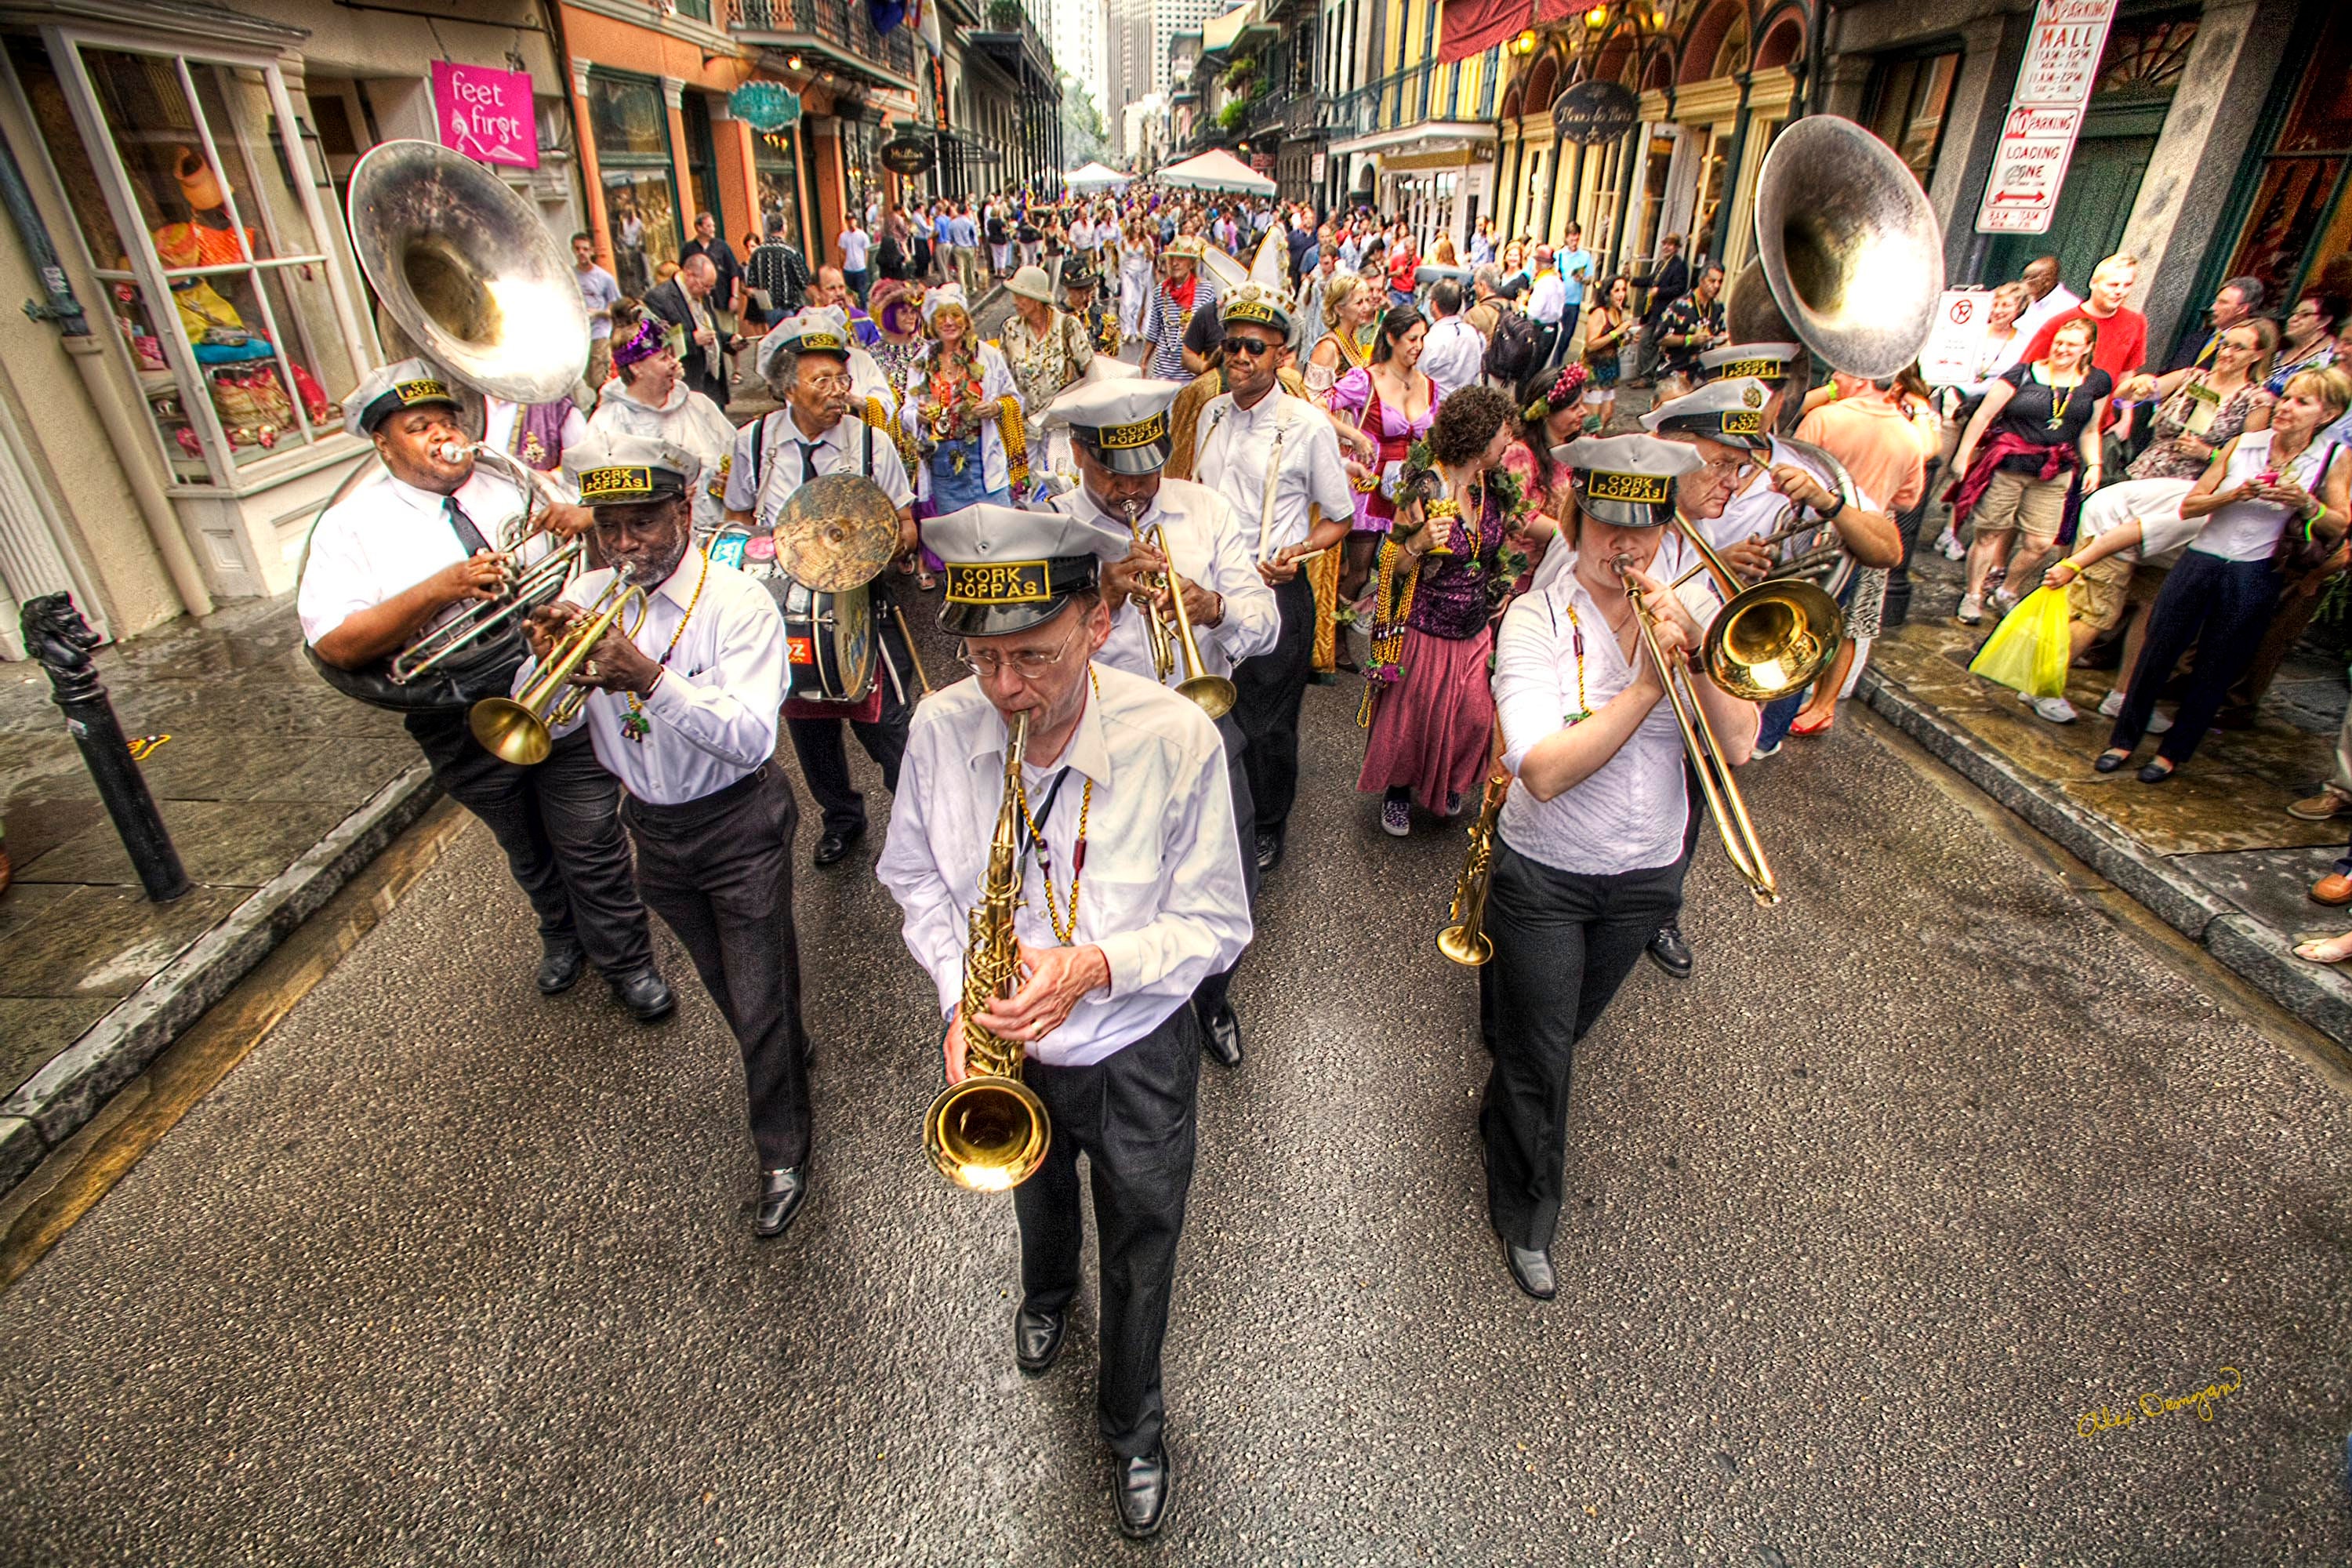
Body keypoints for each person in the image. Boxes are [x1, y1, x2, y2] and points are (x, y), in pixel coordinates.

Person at [876, 502, 1251, 1541]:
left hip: (1134, 1047)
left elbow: (1217, 920)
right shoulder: (944, 727)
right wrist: (959, 998)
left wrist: (1095, 965)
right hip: (1007, 1046)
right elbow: (914, 879)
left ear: (1097, 622)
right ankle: (1046, 1295)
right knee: (1033, 1196)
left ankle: (1133, 1421)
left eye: (1035, 656)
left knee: (1141, 1237)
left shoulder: (1177, 737)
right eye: (983, 658)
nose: (1005, 690)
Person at [297, 361, 670, 1022]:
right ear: (384, 445)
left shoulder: (509, 481)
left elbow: (608, 529)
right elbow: (336, 643)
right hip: (456, 708)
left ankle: (628, 960)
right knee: (523, 839)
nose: (444, 436)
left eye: (447, 421)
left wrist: (580, 516)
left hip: (555, 684)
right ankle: (560, 931)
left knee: (591, 836)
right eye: (420, 428)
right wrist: (441, 588)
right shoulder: (350, 526)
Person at [1481, 434, 1756, 1301]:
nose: (1625, 546)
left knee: (1560, 1032)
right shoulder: (1534, 617)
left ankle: (1503, 1101)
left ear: (1669, 525)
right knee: (1544, 1056)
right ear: (1578, 518)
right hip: (1545, 872)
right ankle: (1528, 1212)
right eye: (1606, 524)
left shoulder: (1695, 605)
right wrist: (1644, 685)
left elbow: (1740, 745)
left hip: (1645, 874)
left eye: (1644, 525)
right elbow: (1545, 770)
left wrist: (1702, 647)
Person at [521, 432, 809, 1239]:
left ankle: (784, 1151)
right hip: (652, 825)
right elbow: (536, 710)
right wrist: (541, 656)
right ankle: (786, 1045)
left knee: (754, 995)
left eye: (643, 523)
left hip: (739, 819)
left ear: (684, 508)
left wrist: (648, 675)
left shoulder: (736, 602)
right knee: (729, 980)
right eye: (609, 527)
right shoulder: (588, 591)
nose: (624, 546)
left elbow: (751, 736)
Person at [1047, 379, 1276, 1065]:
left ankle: (1212, 998)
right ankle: (1129, 1008)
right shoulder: (1053, 527)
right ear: (1081, 455)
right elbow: (1028, 664)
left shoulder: (1206, 509)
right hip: (1097, 739)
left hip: (1201, 726)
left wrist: (1215, 609)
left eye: (1148, 468)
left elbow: (1265, 624)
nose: (1135, 491)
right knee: (1112, 888)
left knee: (1232, 879)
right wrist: (1101, 600)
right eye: (1115, 474)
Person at [724, 313, 921, 867]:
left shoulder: (872, 444)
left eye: (842, 379)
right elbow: (736, 520)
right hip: (785, 614)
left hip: (863, 607)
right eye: (822, 382)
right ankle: (842, 818)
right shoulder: (754, 443)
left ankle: (921, 823)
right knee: (809, 726)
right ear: (788, 387)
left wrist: (879, 548)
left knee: (889, 726)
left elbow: (907, 524)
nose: (838, 393)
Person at [2096, 367, 2352, 782]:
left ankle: (2172, 753)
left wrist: (2306, 504)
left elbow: (2339, 524)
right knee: (2159, 649)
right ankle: (2123, 738)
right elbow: (2189, 506)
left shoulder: (2332, 458)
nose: (2286, 407)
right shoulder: (2243, 445)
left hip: (2258, 569)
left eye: (2302, 402)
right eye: (2286, 397)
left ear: (2327, 415)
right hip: (2203, 557)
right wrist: (2234, 495)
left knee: (2217, 663)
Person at [1194, 283, 1357, 872]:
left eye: (1255, 348)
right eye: (1232, 345)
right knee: (1213, 706)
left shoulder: (1308, 426)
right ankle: (1221, 808)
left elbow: (1340, 518)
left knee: (1268, 724)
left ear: (1282, 356)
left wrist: (1298, 550)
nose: (1240, 357)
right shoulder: (1211, 411)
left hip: (1274, 590)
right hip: (1212, 594)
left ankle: (1268, 822)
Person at [1359, 385, 1521, 836]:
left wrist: (1499, 587)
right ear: (1477, 437)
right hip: (1426, 628)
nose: (1509, 442)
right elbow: (1391, 564)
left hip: (1474, 628)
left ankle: (1450, 780)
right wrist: (1418, 542)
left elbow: (1493, 553)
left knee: (1473, 716)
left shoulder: (1493, 486)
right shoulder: (1427, 486)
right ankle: (1397, 794)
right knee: (1414, 722)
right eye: (1503, 433)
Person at [1784, 369, 1928, 735]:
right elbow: (1908, 499)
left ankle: (1784, 698)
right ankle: (1823, 706)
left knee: (1797, 616)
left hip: (1815, 534)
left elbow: (1788, 474)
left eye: (1841, 370)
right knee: (1849, 626)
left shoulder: (1825, 418)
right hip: (1874, 534)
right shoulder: (1910, 435)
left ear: (1862, 378)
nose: (1834, 376)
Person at [1950, 317, 2113, 624]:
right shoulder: (2022, 374)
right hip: (2010, 464)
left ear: (2087, 349)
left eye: (2071, 345)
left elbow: (2092, 430)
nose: (2062, 349)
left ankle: (2007, 589)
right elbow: (1984, 414)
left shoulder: (2097, 382)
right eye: (2059, 342)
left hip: (2056, 469)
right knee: (1990, 532)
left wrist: (2095, 464)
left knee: (2040, 542)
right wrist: (1963, 455)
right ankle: (1973, 595)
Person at [1328, 304, 1441, 602]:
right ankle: (1339, 630)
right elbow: (1316, 406)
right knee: (1359, 571)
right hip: (1367, 487)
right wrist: (1353, 435)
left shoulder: (1429, 386)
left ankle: (1380, 632)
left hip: (1408, 490)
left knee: (1401, 568)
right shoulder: (1365, 379)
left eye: (1422, 339)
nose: (1419, 347)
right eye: (1412, 339)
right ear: (1391, 338)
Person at [589, 318, 739, 540]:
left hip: (712, 540)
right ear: (636, 368)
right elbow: (596, 494)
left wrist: (729, 480)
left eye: (672, 355)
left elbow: (738, 456)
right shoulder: (606, 422)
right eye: (663, 358)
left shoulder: (699, 406)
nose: (673, 363)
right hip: (646, 547)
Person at [1929, 280, 2033, 558]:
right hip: (1956, 405)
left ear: (2020, 308)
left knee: (1969, 475)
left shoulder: (2024, 341)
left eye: (2007, 305)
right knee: (1938, 463)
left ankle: (1950, 532)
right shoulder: (1969, 332)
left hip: (1992, 412)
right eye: (1996, 304)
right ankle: (1909, 523)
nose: (1999, 310)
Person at [904, 284, 1022, 517]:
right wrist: (917, 416)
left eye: (955, 315)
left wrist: (995, 407)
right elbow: (905, 413)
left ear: (966, 320)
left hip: (982, 457)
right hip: (942, 464)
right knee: (957, 539)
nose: (949, 322)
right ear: (932, 324)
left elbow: (1015, 400)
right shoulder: (921, 363)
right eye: (941, 317)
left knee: (999, 529)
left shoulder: (987, 356)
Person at [2014, 254, 2148, 441]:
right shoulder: (2062, 321)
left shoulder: (2136, 322)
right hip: (2052, 422)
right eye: (2112, 285)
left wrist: (2126, 419)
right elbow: (2026, 370)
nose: (2120, 291)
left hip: (2100, 425)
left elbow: (2127, 373)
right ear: (2093, 283)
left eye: (2127, 285)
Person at [1000, 263, 1095, 440]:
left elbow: (1090, 374)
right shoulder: (1010, 329)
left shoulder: (1067, 326)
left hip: (1062, 428)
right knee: (1026, 469)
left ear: (1036, 299)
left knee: (1059, 467)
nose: (1014, 302)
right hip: (1025, 428)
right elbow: (1004, 377)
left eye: (1020, 297)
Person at [644, 254, 740, 407]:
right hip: (689, 382)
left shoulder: (703, 296)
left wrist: (729, 339)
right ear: (689, 274)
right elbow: (657, 342)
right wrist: (692, 340)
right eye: (705, 285)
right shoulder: (659, 298)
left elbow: (712, 331)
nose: (708, 292)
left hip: (713, 380)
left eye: (711, 286)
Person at [1140, 237, 1215, 382]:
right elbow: (1153, 332)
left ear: (1191, 263)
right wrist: (1143, 362)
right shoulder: (1160, 291)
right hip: (1162, 371)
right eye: (1171, 259)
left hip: (1191, 373)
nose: (1175, 263)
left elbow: (1212, 330)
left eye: (1181, 259)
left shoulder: (1206, 289)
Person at [1652, 262, 1727, 397]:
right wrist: (1689, 339)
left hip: (1701, 377)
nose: (1716, 286)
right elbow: (1659, 337)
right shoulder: (1680, 305)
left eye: (1720, 282)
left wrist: (1723, 339)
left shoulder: (1717, 308)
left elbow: (1720, 334)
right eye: (1712, 281)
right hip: (1674, 373)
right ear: (1702, 280)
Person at [2165, 276, 2265, 373]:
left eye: (2223, 303)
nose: (2213, 308)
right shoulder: (2193, 339)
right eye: (2216, 301)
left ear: (2241, 309)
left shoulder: (2247, 351)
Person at [1580, 276, 1635, 431]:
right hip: (1595, 368)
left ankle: (1596, 443)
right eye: (1616, 290)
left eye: (1623, 290)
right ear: (1607, 293)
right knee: (1592, 420)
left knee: (1607, 413)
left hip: (1611, 368)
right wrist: (1617, 332)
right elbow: (1591, 345)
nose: (1621, 294)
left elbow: (1614, 341)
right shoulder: (1599, 313)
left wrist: (1627, 339)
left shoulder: (1618, 312)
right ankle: (1586, 447)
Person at [1632, 234, 1688, 384]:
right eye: (1664, 244)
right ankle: (1643, 376)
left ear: (1676, 248)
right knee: (1645, 342)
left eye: (1670, 245)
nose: (1666, 247)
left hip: (1665, 313)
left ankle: (1647, 377)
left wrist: (1659, 291)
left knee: (1649, 342)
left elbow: (1679, 288)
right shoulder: (1661, 264)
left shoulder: (1679, 266)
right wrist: (1633, 280)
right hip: (1653, 311)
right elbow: (1651, 279)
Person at [2263, 290, 2342, 397]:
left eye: (2305, 314)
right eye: (2294, 313)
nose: (2293, 319)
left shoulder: (2334, 357)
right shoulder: (2279, 352)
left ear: (2324, 321)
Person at [1418, 279, 1484, 401]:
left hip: (1439, 405)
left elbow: (1418, 373)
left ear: (1434, 304)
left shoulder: (1431, 340)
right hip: (1467, 403)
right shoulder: (1474, 334)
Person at [743, 216, 812, 328]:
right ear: (784, 228)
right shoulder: (791, 253)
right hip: (789, 307)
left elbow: (751, 283)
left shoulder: (757, 254)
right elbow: (804, 281)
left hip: (769, 309)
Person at [574, 231, 622, 391]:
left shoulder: (604, 278)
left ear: (592, 251)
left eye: (585, 249)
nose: (581, 253)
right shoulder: (571, 275)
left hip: (599, 333)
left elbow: (617, 309)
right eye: (578, 249)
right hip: (579, 335)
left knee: (597, 377)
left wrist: (598, 313)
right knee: (583, 378)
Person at [1551, 223, 1594, 371]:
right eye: (1571, 238)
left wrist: (1582, 279)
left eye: (1576, 238)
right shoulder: (1559, 255)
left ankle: (1556, 365)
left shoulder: (1585, 256)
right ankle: (1553, 368)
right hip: (1559, 301)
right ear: (1566, 237)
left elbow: (1590, 279)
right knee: (1555, 336)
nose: (1574, 242)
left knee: (1566, 337)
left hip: (1574, 303)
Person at [2011, 255, 2081, 345]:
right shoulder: (2033, 298)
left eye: (2027, 279)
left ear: (2046, 281)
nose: (2022, 283)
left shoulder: (2069, 306)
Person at [1525, 245, 1566, 376]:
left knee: (1531, 371)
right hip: (1553, 328)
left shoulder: (1543, 283)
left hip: (1539, 330)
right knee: (1543, 368)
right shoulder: (1557, 281)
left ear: (1540, 263)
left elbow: (1533, 313)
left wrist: (1522, 306)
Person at [1120, 217, 1156, 343]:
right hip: (1128, 273)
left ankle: (1136, 330)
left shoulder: (1146, 240)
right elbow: (1121, 257)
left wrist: (1148, 252)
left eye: (1139, 224)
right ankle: (1126, 330)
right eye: (1135, 224)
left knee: (1137, 303)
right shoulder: (1125, 241)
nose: (1137, 226)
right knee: (1127, 302)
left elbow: (1152, 258)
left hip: (1141, 274)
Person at [837, 216, 872, 305]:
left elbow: (866, 251)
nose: (851, 223)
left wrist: (865, 264)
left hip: (860, 268)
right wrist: (841, 266)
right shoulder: (843, 236)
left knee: (862, 293)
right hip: (848, 268)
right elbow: (842, 252)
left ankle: (864, 312)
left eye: (852, 220)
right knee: (850, 292)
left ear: (855, 221)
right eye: (848, 221)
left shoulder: (862, 235)